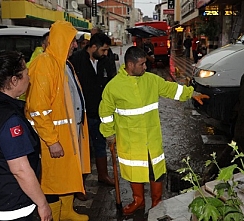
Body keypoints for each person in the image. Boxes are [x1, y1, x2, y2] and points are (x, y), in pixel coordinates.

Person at [98, 46, 209, 215]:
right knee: (135, 172)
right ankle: (138, 200)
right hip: (130, 142)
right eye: (142, 64)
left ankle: (156, 203)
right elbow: (105, 113)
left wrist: (191, 93)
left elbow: (171, 89)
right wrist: (109, 134)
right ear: (130, 64)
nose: (145, 67)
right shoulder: (113, 87)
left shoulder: (151, 80)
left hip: (152, 139)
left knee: (156, 172)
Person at [0, 51, 52, 221]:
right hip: (13, 205)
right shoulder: (9, 120)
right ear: (14, 80)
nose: (29, 77)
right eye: (26, 73)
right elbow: (20, 170)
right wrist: (42, 203)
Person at [25, 20, 91, 221]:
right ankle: (55, 216)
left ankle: (68, 211)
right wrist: (52, 141)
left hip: (69, 134)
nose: (75, 45)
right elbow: (37, 108)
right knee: (52, 181)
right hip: (54, 139)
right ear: (62, 40)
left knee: (67, 175)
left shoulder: (65, 64)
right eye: (72, 41)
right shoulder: (45, 64)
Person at [70, 33, 116, 189]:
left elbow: (112, 82)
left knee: (100, 145)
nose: (105, 53)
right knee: (81, 150)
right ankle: (79, 185)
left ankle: (103, 176)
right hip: (81, 114)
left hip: (100, 112)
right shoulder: (76, 60)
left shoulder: (107, 61)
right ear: (93, 46)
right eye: (103, 50)